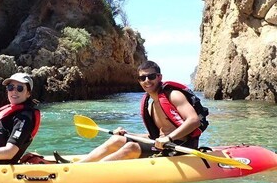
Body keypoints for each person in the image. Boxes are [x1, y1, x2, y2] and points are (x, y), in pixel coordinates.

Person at [73, 61, 201, 162]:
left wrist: (169, 138)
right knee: (116, 139)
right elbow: (156, 136)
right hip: (160, 144)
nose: (147, 81)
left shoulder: (174, 95)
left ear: (159, 77)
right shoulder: (150, 104)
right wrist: (128, 134)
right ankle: (80, 166)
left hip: (180, 145)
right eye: (142, 78)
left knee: (131, 147)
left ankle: (91, 172)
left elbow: (194, 120)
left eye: (151, 76)